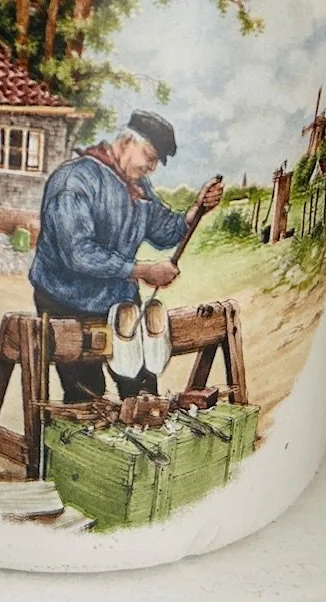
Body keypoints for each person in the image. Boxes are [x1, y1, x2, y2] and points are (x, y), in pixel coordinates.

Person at [27, 110, 223, 401]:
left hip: (120, 304)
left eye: (156, 161)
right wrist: (143, 271)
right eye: (150, 156)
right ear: (127, 141)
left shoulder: (137, 187)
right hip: (66, 302)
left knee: (143, 393)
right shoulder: (73, 181)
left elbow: (164, 230)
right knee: (88, 399)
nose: (152, 168)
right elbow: (78, 255)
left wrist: (196, 209)